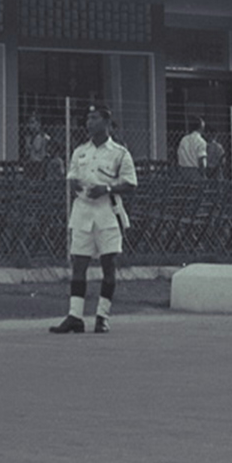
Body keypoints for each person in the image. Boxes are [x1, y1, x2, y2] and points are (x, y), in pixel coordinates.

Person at [50, 104, 137, 335]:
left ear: (106, 122)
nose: (89, 122)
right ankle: (75, 316)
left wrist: (107, 188)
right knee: (79, 264)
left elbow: (130, 183)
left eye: (94, 118)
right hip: (83, 212)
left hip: (107, 212)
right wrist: (75, 184)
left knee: (108, 265)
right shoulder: (79, 151)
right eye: (87, 118)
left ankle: (102, 316)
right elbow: (71, 176)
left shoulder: (119, 153)